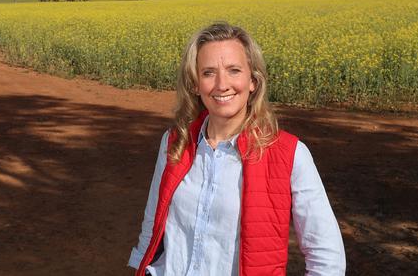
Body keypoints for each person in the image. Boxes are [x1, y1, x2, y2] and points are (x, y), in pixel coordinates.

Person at [128, 23, 345, 276]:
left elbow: (326, 256)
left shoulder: (290, 154)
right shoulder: (175, 141)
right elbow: (152, 224)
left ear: (253, 80)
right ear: (195, 84)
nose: (222, 85)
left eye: (234, 70)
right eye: (208, 73)